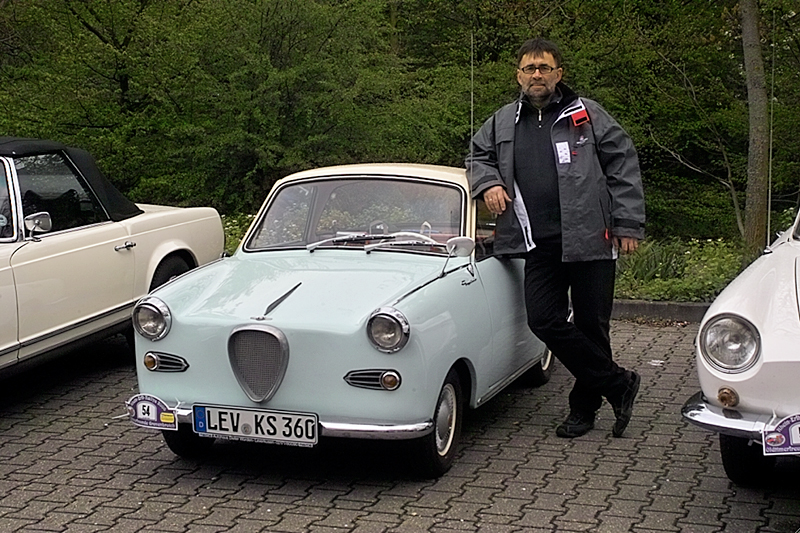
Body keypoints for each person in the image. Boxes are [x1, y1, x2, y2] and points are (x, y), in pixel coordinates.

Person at [466, 37, 645, 438]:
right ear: (518, 75)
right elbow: (477, 156)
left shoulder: (587, 114)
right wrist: (488, 182)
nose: (537, 75)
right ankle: (618, 383)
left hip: (591, 239)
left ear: (558, 74)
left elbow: (623, 164)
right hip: (538, 243)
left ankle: (583, 410)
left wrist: (627, 224)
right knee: (543, 319)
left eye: (544, 68)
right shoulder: (502, 121)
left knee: (591, 327)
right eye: (529, 68)